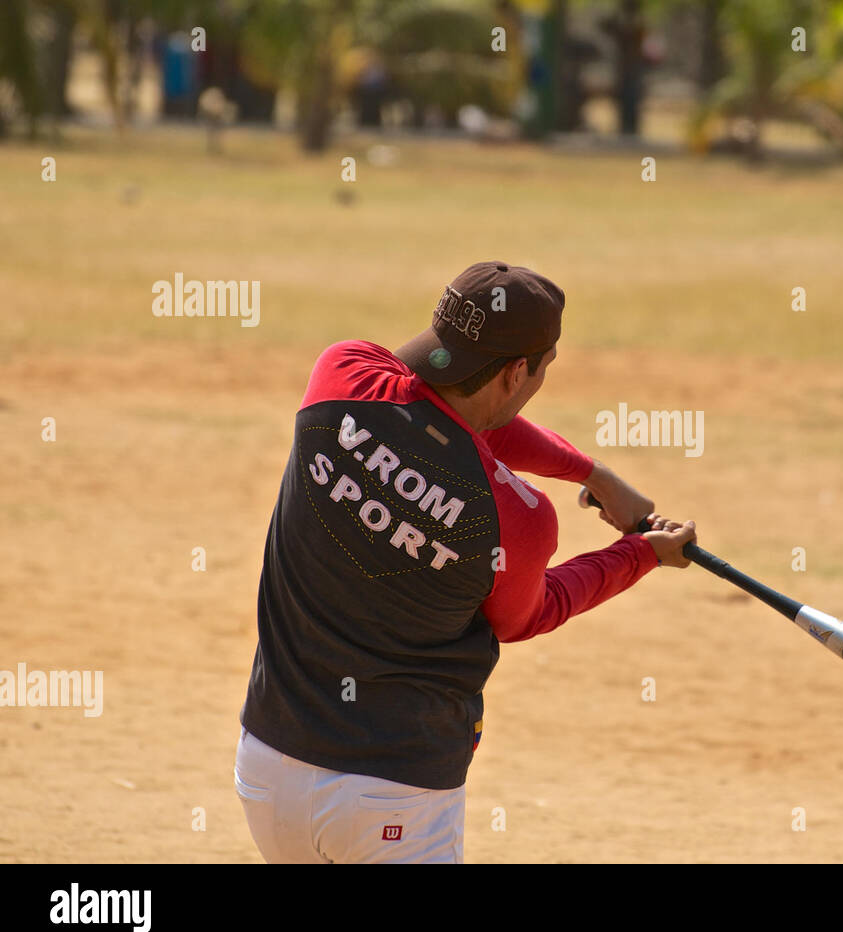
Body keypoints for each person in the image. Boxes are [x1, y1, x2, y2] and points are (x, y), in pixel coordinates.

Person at [235, 261, 696, 862]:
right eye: (542, 369)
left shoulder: (341, 375)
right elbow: (528, 615)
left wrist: (592, 474)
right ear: (516, 372)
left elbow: (443, 413)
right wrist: (639, 554)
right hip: (394, 796)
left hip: (268, 769)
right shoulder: (520, 519)